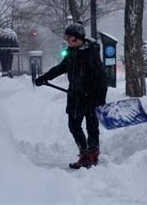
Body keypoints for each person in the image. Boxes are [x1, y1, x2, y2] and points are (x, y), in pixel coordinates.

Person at [35, 23, 108, 169]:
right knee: (74, 125)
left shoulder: (91, 53)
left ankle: (92, 155)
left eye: (68, 37)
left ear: (76, 38)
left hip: (91, 97)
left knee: (91, 126)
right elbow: (61, 68)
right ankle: (84, 153)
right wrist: (44, 77)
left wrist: (99, 99)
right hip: (75, 96)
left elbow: (102, 79)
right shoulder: (71, 53)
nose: (66, 39)